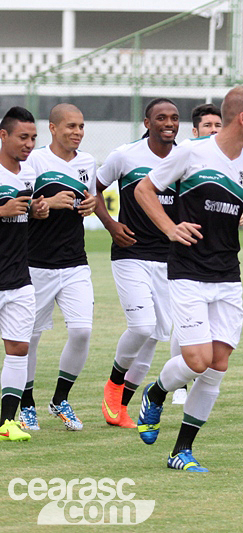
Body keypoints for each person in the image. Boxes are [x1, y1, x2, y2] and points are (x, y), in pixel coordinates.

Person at [134, 86, 243, 472]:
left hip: (227, 275)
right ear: (242, 118)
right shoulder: (192, 152)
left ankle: (181, 451)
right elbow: (144, 189)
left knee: (217, 365)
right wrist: (168, 227)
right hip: (188, 271)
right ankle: (156, 391)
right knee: (196, 360)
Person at [95, 98, 181, 429]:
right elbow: (95, 189)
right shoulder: (125, 155)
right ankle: (114, 385)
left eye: (174, 117)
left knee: (157, 333)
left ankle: (121, 406)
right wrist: (111, 224)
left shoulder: (184, 158)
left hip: (170, 259)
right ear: (147, 123)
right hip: (131, 253)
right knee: (142, 327)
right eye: (161, 117)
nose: (168, 123)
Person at [20, 103, 97, 432]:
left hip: (75, 263)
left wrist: (91, 204)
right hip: (35, 264)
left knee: (82, 331)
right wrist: (45, 204)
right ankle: (26, 403)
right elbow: (18, 206)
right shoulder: (34, 160)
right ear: (52, 128)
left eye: (81, 126)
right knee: (28, 339)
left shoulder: (88, 162)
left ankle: (60, 399)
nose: (77, 132)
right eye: (70, 126)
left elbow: (88, 199)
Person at [170, 103, 224, 406]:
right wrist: (170, 226)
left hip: (219, 259)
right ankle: (178, 385)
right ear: (195, 130)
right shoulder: (188, 153)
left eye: (218, 125)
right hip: (186, 255)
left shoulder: (227, 161)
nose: (213, 130)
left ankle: (195, 386)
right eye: (208, 125)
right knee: (184, 325)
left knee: (212, 340)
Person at [0, 107, 48, 441]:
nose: (29, 144)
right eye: (23, 137)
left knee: (18, 348)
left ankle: (7, 422)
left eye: (33, 138)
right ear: (3, 135)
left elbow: (25, 217)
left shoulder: (29, 174)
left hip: (18, 278)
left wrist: (38, 210)